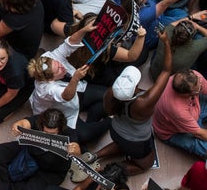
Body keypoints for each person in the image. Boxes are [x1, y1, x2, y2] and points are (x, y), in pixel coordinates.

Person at [92, 33, 172, 175]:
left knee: (120, 144)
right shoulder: (143, 103)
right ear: (135, 87)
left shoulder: (111, 93)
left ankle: (94, 156)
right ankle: (105, 171)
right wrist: (166, 43)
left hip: (115, 130)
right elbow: (166, 71)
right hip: (136, 142)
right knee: (145, 165)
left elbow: (109, 110)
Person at [26, 23, 112, 144]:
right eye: (59, 70)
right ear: (52, 79)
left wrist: (83, 30)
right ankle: (109, 121)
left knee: (108, 95)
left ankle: (93, 114)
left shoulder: (48, 58)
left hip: (77, 90)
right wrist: (75, 79)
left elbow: (69, 43)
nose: (62, 66)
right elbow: (66, 96)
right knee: (85, 136)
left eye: (58, 63)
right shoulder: (46, 89)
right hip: (61, 109)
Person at [0, 109, 79, 190]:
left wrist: (74, 150)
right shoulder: (38, 121)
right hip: (30, 153)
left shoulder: (70, 133)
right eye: (45, 132)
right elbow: (24, 123)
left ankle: (4, 179)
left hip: (50, 171)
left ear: (60, 129)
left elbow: (77, 150)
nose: (48, 136)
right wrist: (18, 126)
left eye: (52, 133)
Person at [153, 68, 207, 158]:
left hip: (194, 110)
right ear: (185, 94)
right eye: (198, 90)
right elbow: (200, 133)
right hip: (174, 131)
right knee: (204, 147)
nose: (201, 86)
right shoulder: (177, 109)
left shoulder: (194, 77)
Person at [0, 37, 33, 123]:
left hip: (18, 88)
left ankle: (15, 107)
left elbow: (11, 94)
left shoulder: (15, 73)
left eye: (3, 58)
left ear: (8, 53)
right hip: (0, 76)